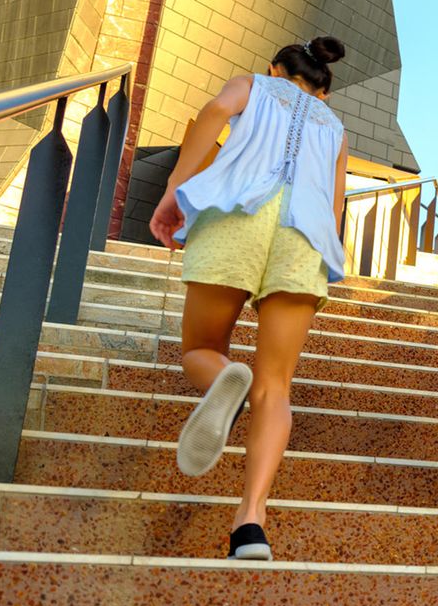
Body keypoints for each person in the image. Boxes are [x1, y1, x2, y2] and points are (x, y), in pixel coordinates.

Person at [148, 36, 350, 561]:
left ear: (275, 69)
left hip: (238, 217)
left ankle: (223, 382)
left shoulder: (252, 85)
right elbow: (335, 201)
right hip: (303, 239)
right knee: (276, 386)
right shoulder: (334, 127)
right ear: (322, 89)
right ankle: (251, 523)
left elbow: (216, 111)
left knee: (201, 347)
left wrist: (175, 187)